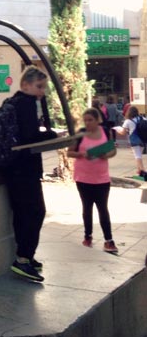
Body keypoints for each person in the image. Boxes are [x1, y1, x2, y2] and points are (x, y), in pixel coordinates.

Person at [4, 66, 57, 283]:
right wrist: (49, 135)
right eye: (39, 86)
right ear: (25, 84)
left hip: (13, 167)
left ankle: (25, 256)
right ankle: (24, 259)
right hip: (25, 168)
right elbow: (29, 136)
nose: (41, 91)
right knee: (36, 212)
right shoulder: (26, 104)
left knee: (22, 213)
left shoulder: (11, 102)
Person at [67, 108, 118, 254]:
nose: (88, 123)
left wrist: (105, 155)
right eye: (86, 120)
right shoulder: (81, 134)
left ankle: (109, 240)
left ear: (97, 120)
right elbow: (69, 152)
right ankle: (87, 236)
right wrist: (80, 154)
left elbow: (112, 150)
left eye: (91, 120)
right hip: (83, 178)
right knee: (87, 207)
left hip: (101, 178)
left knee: (103, 208)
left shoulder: (104, 132)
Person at [114, 106, 146, 179]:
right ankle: (139, 171)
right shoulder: (143, 118)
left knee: (137, 156)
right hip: (143, 139)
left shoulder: (128, 121)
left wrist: (117, 129)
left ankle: (143, 171)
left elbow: (123, 133)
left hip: (134, 140)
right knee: (139, 155)